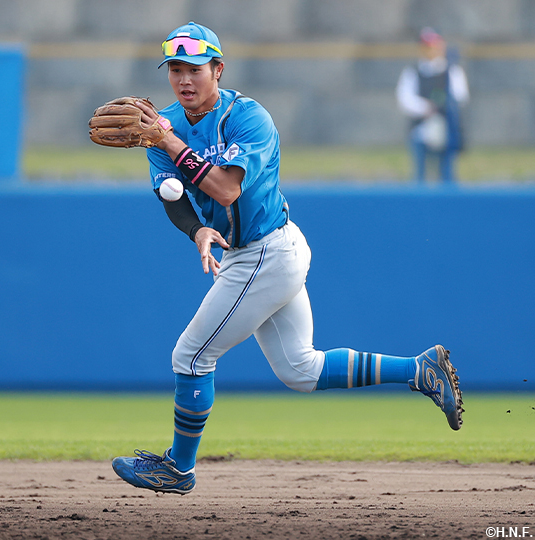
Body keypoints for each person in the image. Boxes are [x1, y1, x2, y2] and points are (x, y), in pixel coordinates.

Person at [110, 22, 463, 495]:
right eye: (175, 69)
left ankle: (179, 468)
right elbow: (170, 193)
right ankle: (420, 370)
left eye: (195, 69)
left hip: (267, 251)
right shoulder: (163, 122)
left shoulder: (247, 118)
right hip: (250, 254)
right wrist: (196, 229)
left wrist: (169, 141)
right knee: (301, 370)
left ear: (218, 69)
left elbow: (227, 189)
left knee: (191, 356)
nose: (184, 79)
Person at [396, 27, 469, 183]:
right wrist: (426, 108)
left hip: (446, 128)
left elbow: (460, 96)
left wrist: (443, 104)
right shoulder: (413, 71)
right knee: (420, 174)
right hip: (420, 128)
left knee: (447, 173)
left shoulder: (452, 70)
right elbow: (405, 99)